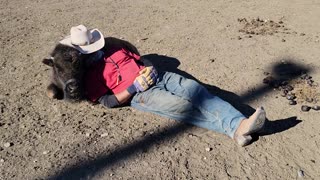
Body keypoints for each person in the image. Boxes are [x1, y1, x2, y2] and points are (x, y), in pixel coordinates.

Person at [60, 25, 266, 147]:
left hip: (160, 77)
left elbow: (142, 59)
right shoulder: (88, 77)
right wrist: (133, 88)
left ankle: (239, 125)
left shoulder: (113, 48)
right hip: (141, 96)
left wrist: (149, 69)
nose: (95, 51)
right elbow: (107, 101)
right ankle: (236, 128)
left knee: (197, 91)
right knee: (183, 107)